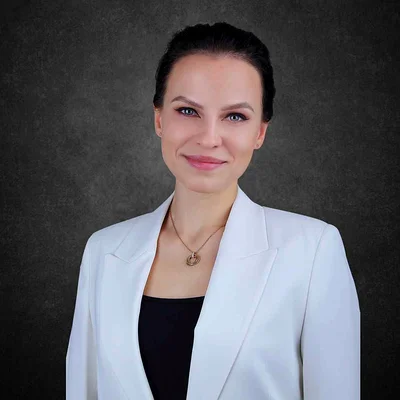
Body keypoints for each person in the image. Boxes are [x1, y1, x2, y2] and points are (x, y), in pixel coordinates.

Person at [66, 22, 360, 400]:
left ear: (260, 132)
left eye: (235, 116)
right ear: (159, 119)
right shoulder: (103, 252)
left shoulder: (313, 251)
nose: (208, 138)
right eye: (188, 110)